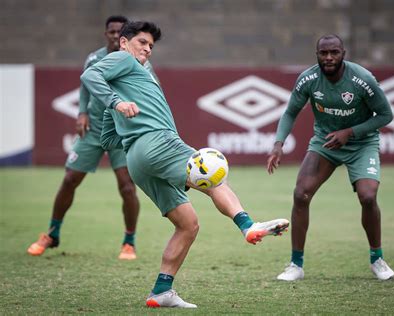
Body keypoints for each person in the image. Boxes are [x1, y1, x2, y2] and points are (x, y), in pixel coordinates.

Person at [80, 21, 289, 308]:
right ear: (124, 43)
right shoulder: (121, 59)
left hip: (137, 161)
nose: (147, 49)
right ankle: (248, 225)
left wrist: (124, 120)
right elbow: (90, 74)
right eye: (142, 42)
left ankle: (161, 291)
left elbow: (107, 139)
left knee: (188, 225)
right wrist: (117, 104)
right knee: (213, 171)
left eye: (151, 46)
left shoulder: (134, 75)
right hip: (158, 142)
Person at [267, 34, 394, 282]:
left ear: (343, 53)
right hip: (326, 142)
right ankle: (296, 264)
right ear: (317, 55)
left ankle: (377, 259)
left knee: (368, 197)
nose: (328, 57)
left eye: (334, 52)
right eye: (323, 53)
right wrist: (278, 144)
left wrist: (350, 132)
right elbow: (290, 111)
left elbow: (385, 115)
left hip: (361, 142)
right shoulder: (309, 79)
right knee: (300, 194)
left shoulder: (362, 80)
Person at [27, 15, 150, 260]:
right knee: (70, 178)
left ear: (126, 37)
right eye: (111, 32)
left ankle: (129, 242)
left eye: (119, 32)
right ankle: (52, 233)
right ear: (106, 34)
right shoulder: (94, 58)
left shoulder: (139, 60)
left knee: (127, 186)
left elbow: (149, 89)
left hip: (121, 129)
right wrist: (82, 112)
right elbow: (85, 86)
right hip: (93, 127)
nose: (115, 35)